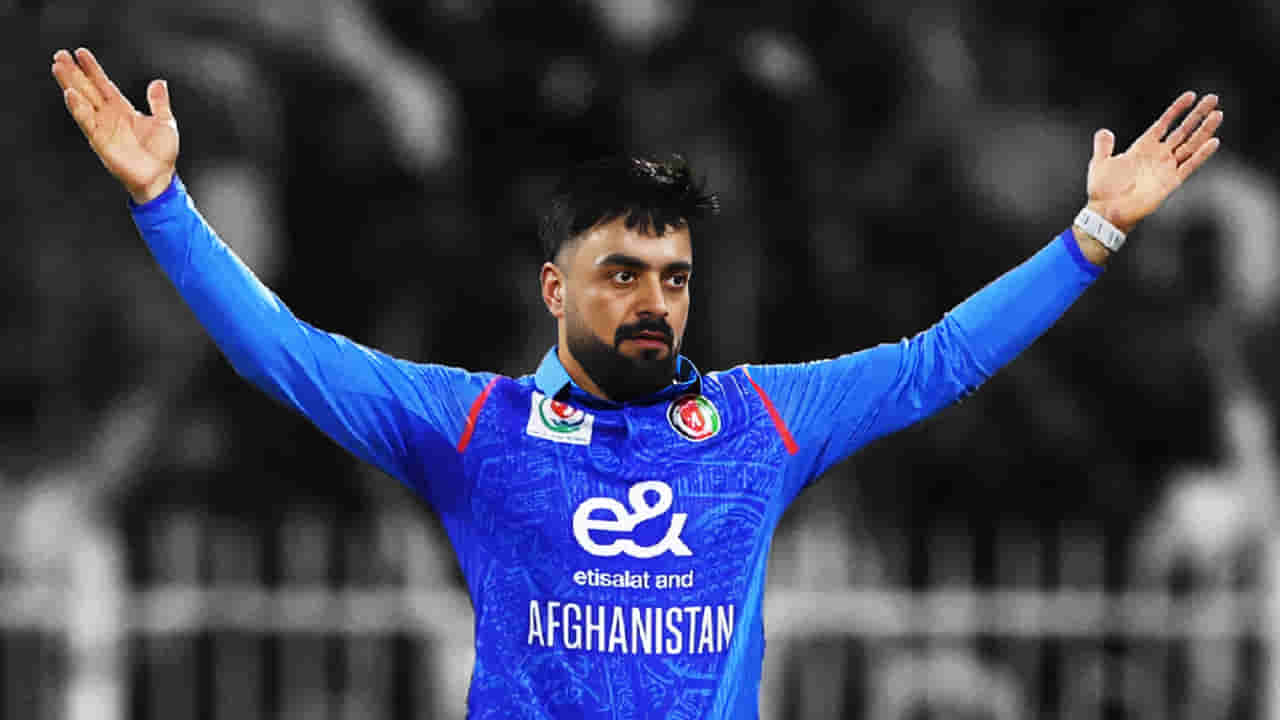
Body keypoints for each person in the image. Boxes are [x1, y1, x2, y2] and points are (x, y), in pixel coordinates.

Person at [50, 46, 1223, 719]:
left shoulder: (760, 424)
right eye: (621, 274)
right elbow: (283, 354)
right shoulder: (477, 428)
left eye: (673, 276)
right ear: (554, 290)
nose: (654, 300)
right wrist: (164, 204)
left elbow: (941, 360)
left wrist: (1089, 236)